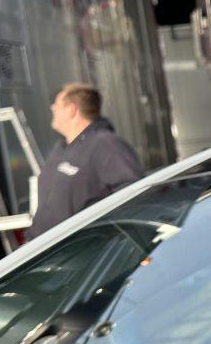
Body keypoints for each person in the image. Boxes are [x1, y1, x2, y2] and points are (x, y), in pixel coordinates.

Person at [26, 82, 144, 241]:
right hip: (42, 248)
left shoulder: (104, 144)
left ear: (72, 109)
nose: (52, 108)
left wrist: (96, 235)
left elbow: (134, 194)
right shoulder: (61, 148)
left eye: (57, 104)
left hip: (79, 248)